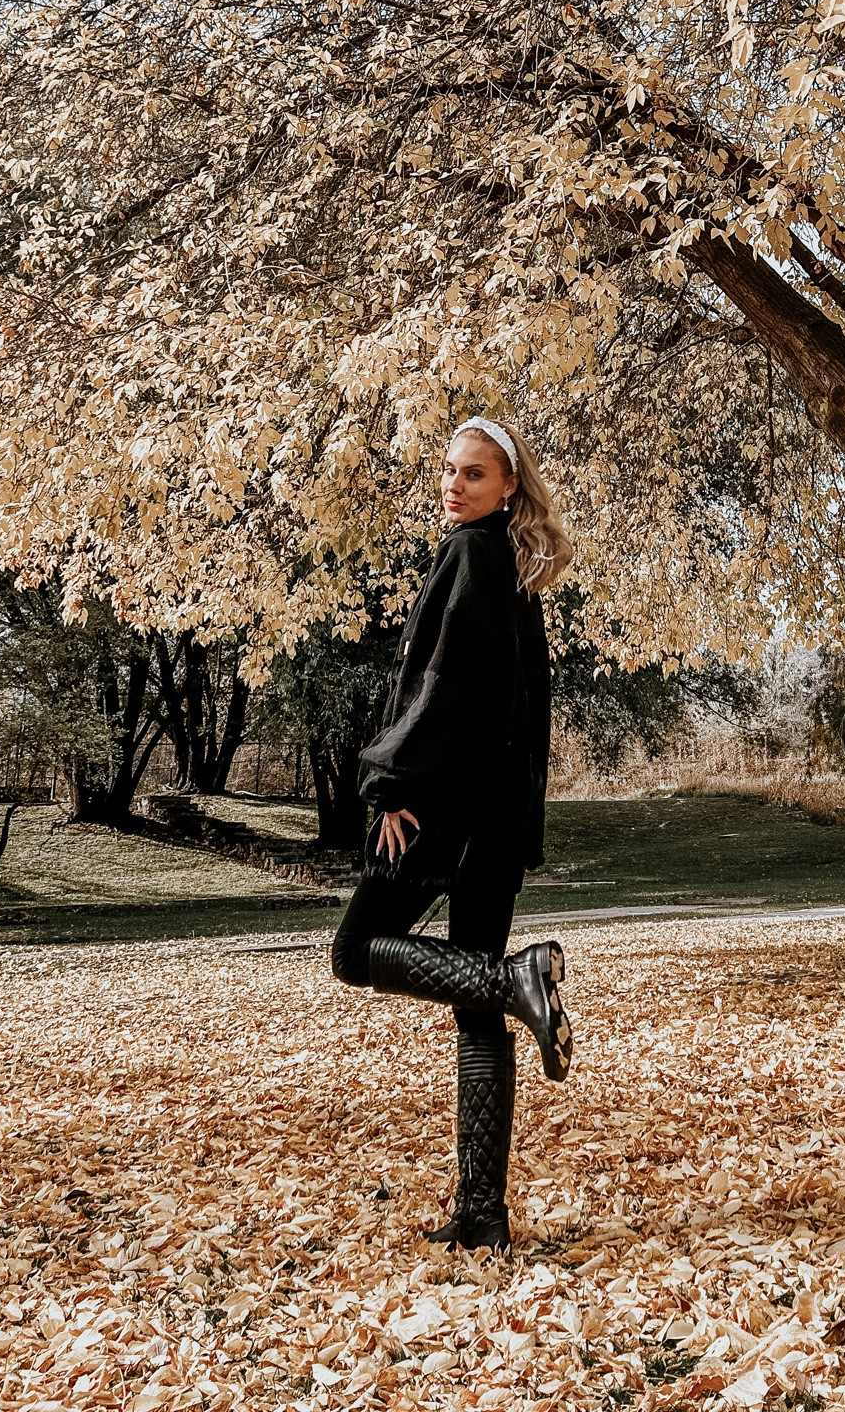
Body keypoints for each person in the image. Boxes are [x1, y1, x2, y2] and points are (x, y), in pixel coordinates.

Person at [330, 416, 574, 1252]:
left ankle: (518, 980)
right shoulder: (512, 564)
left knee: (356, 949)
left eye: (474, 474)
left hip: (448, 814)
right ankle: (482, 1215)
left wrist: (393, 785)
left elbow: (444, 687)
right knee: (476, 1008)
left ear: (509, 486)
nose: (454, 485)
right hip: (497, 819)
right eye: (448, 470)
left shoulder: (473, 555)